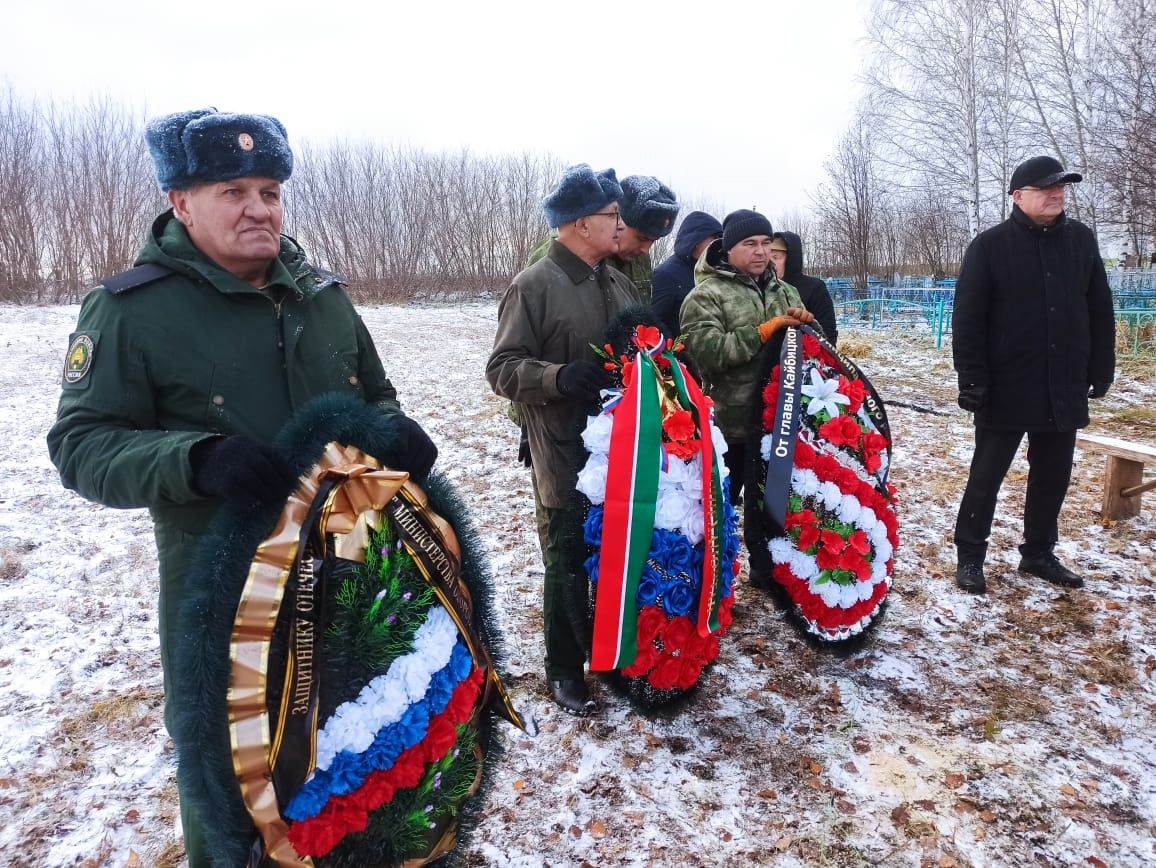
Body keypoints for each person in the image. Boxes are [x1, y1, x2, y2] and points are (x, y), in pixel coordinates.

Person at [46, 109, 437, 866]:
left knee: (350, 755)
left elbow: (377, 394)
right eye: (233, 190)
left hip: (349, 578)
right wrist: (196, 459)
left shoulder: (324, 295)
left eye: (270, 190)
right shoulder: (132, 310)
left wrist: (393, 429)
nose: (260, 208)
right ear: (181, 201)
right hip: (224, 597)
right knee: (231, 781)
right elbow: (81, 445)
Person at [487, 164, 639, 716]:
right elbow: (502, 369)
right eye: (612, 216)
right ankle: (564, 669)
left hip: (623, 450)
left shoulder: (616, 281)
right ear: (579, 224)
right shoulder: (534, 286)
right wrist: (557, 377)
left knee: (616, 554)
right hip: (564, 450)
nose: (620, 225)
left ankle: (613, 651)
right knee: (568, 557)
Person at [952, 155, 1115, 594]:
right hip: (1005, 386)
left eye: (1061, 187)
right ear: (1018, 196)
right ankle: (970, 554)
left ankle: (1039, 552)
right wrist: (971, 378)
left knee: (1053, 474)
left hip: (1063, 382)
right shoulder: (990, 246)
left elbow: (1099, 306)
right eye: (1046, 188)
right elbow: (968, 318)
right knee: (986, 474)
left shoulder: (1080, 241)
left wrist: (1101, 366)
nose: (1057, 194)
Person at [679, 209, 812, 505]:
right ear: (728, 248)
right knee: (717, 512)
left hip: (781, 427)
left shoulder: (786, 292)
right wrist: (763, 332)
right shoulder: (705, 296)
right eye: (750, 244)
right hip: (730, 429)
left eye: (766, 243)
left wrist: (809, 328)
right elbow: (707, 353)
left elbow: (809, 350)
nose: (761, 251)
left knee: (775, 515)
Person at [525, 173, 678, 304]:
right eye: (642, 238)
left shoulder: (640, 260)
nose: (645, 250)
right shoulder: (556, 253)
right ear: (619, 219)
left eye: (653, 241)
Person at [650, 210, 723, 339]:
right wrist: (673, 353)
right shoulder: (666, 274)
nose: (719, 243)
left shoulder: (714, 270)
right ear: (696, 239)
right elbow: (657, 320)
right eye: (714, 238)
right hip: (680, 353)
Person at [770, 231, 838, 346]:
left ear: (791, 259)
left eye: (776, 258)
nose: (770, 264)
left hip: (803, 357)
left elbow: (828, 334)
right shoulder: (765, 288)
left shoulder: (815, 288)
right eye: (768, 258)